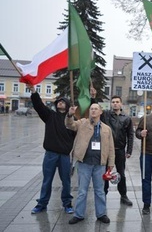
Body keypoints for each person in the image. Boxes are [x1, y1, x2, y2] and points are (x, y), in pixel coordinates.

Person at [27, 84, 75, 214]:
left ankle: (67, 204)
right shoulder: (50, 115)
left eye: (63, 101)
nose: (60, 103)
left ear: (67, 105)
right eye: (58, 101)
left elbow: (76, 138)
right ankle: (42, 204)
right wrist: (33, 91)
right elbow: (39, 106)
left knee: (66, 181)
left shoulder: (71, 120)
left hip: (64, 156)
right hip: (50, 154)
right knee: (47, 180)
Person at [66, 103, 115, 224]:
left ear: (100, 112)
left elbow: (111, 147)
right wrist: (70, 115)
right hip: (85, 163)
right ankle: (79, 214)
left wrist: (111, 163)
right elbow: (70, 125)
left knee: (99, 190)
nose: (93, 111)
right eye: (91, 109)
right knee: (82, 190)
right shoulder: (83, 123)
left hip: (100, 164)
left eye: (95, 109)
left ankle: (101, 214)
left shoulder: (106, 128)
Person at [90, 89, 134, 206]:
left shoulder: (127, 118)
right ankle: (103, 194)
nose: (115, 103)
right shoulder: (106, 115)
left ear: (121, 104)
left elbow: (130, 135)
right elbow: (96, 109)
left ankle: (123, 195)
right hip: (106, 150)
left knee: (121, 174)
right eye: (113, 102)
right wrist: (93, 97)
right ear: (111, 104)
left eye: (117, 102)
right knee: (105, 173)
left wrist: (129, 150)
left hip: (119, 151)